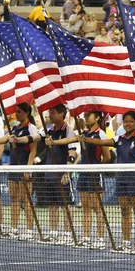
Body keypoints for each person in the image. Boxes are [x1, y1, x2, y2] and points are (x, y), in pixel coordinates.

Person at [91, 111, 135, 254]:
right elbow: (102, 142)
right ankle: (126, 243)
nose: (128, 124)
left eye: (131, 121)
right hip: (122, 179)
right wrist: (85, 139)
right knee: (124, 212)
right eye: (125, 121)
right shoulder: (120, 139)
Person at [52, 111, 112, 249]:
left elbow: (107, 156)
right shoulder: (83, 134)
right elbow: (69, 140)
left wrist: (97, 169)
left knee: (97, 208)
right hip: (83, 174)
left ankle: (100, 239)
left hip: (95, 174)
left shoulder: (101, 134)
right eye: (85, 116)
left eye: (88, 115)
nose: (85, 117)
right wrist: (54, 142)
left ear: (97, 118)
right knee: (85, 208)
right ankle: (86, 237)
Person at [0, 103, 41, 240]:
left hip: (24, 168)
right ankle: (14, 228)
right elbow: (3, 139)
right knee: (14, 199)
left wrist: (28, 169)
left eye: (19, 112)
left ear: (26, 113)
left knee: (27, 200)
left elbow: (33, 150)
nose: (16, 114)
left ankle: (30, 230)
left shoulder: (31, 128)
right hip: (13, 167)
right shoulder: (14, 128)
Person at [43, 104, 79, 245]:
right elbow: (32, 138)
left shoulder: (69, 131)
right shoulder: (48, 131)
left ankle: (67, 233)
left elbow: (72, 154)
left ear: (61, 114)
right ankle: (53, 233)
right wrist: (16, 139)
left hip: (62, 175)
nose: (50, 114)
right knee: (52, 204)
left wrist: (67, 173)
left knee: (67, 205)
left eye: (52, 112)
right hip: (49, 173)